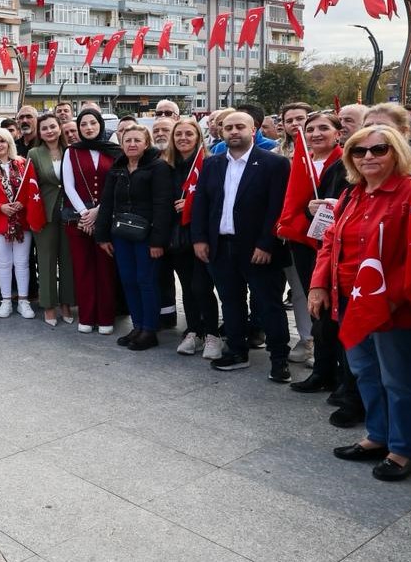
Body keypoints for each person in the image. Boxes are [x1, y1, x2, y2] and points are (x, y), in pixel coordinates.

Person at [310, 125, 411, 482]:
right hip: (350, 300)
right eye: (359, 151)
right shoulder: (353, 195)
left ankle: (403, 449)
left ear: (397, 152)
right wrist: (319, 283)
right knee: (364, 372)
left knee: (398, 380)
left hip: (394, 307)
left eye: (379, 149)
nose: (368, 157)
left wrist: (392, 301)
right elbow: (331, 241)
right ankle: (378, 436)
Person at [191, 111, 293, 379]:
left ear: (253, 129)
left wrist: (266, 243)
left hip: (258, 248)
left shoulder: (274, 164)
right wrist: (200, 239)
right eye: (228, 128)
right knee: (231, 302)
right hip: (220, 246)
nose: (233, 132)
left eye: (239, 127)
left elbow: (276, 208)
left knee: (269, 304)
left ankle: (279, 358)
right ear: (221, 132)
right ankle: (236, 351)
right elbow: (201, 203)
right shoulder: (212, 164)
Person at [279, 112, 346, 383]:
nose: (315, 134)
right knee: (315, 306)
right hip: (305, 244)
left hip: (336, 247)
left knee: (333, 310)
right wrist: (307, 214)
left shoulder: (345, 163)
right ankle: (323, 369)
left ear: (338, 134)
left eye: (323, 128)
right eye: (310, 130)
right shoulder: (302, 161)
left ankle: (336, 371)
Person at [95, 124, 173, 350]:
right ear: (121, 143)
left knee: (146, 281)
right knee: (128, 280)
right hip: (121, 233)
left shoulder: (158, 167)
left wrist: (158, 241)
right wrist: (102, 236)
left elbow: (162, 206)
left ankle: (150, 329)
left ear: (146, 143)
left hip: (147, 235)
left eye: (137, 140)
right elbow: (107, 202)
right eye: (127, 140)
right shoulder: (117, 167)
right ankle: (137, 326)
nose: (132, 144)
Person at [164, 117, 219, 356]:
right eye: (179, 134)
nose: (183, 138)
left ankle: (212, 334)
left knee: (202, 286)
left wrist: (191, 204)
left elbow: (216, 198)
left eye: (189, 134)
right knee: (187, 287)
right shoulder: (166, 166)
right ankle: (193, 331)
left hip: (201, 235)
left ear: (198, 137)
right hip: (177, 237)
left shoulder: (210, 164)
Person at [0, 127, 43, 320]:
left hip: (22, 221)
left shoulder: (23, 163)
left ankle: (23, 301)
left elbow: (32, 189)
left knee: (22, 263)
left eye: (2, 141)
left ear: (9, 143)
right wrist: (0, 208)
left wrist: (24, 202)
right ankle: (6, 301)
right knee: (4, 264)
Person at [65, 108, 119, 333]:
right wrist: (85, 214)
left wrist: (98, 211)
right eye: (84, 124)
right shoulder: (71, 151)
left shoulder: (115, 152)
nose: (88, 127)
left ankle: (106, 317)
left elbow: (117, 185)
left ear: (100, 126)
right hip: (78, 221)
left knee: (106, 270)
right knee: (83, 269)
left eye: (93, 123)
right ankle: (86, 317)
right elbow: (68, 185)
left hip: (106, 218)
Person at [28, 114, 74, 327]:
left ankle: (66, 303)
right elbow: (30, 186)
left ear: (60, 128)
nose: (49, 131)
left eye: (52, 127)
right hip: (44, 212)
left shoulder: (71, 151)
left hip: (70, 212)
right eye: (44, 128)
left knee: (67, 259)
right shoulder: (34, 153)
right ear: (40, 132)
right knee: (46, 260)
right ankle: (48, 305)